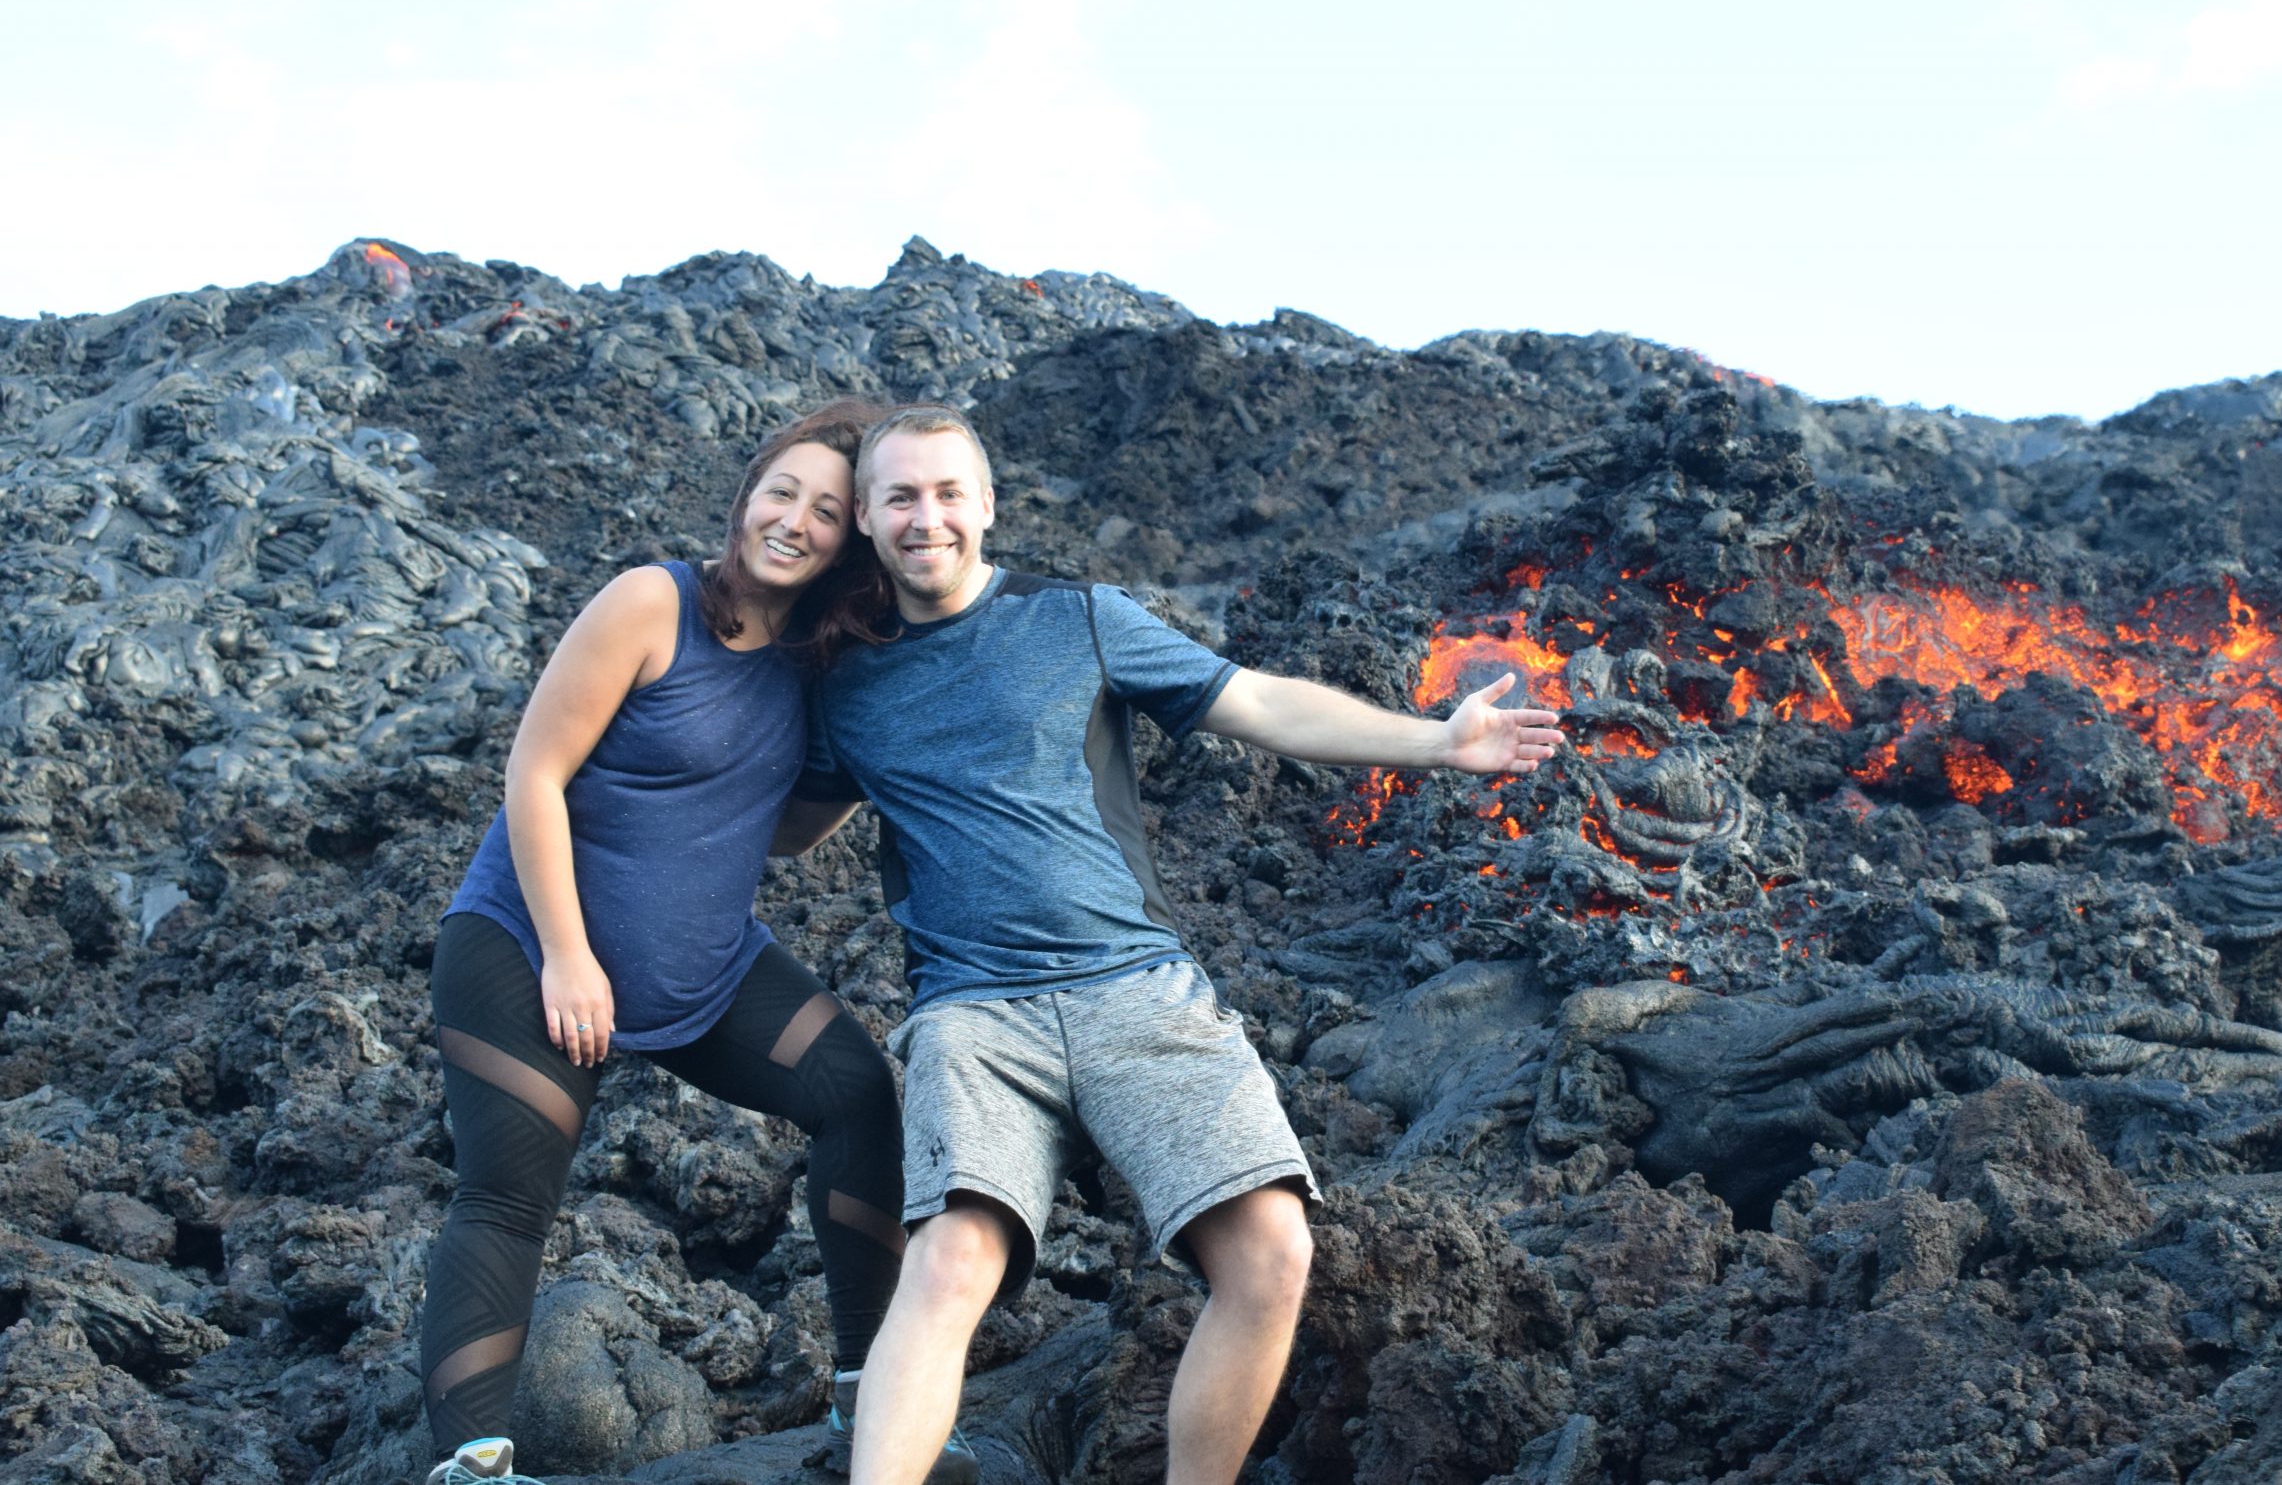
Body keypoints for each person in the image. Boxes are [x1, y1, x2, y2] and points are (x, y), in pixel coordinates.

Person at [777, 404, 1565, 1485]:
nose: (928, 519)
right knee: (949, 1263)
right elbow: (772, 822)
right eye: (902, 498)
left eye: (950, 493)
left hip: (1135, 989)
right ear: (865, 518)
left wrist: (1436, 742)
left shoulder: (1080, 620)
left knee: (1273, 1254)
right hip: (973, 1011)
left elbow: (1260, 706)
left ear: (989, 504)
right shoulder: (841, 681)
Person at [417, 401, 942, 1485]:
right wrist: (568, 954)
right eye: (780, 492)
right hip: (527, 948)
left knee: (856, 1092)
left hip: (706, 968)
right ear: (747, 494)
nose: (793, 520)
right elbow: (534, 772)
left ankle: (871, 1406)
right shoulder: (653, 603)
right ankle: (470, 1466)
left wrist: (867, 760)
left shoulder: (814, 659)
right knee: (511, 1197)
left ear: (848, 541)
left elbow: (785, 831)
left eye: (826, 510)